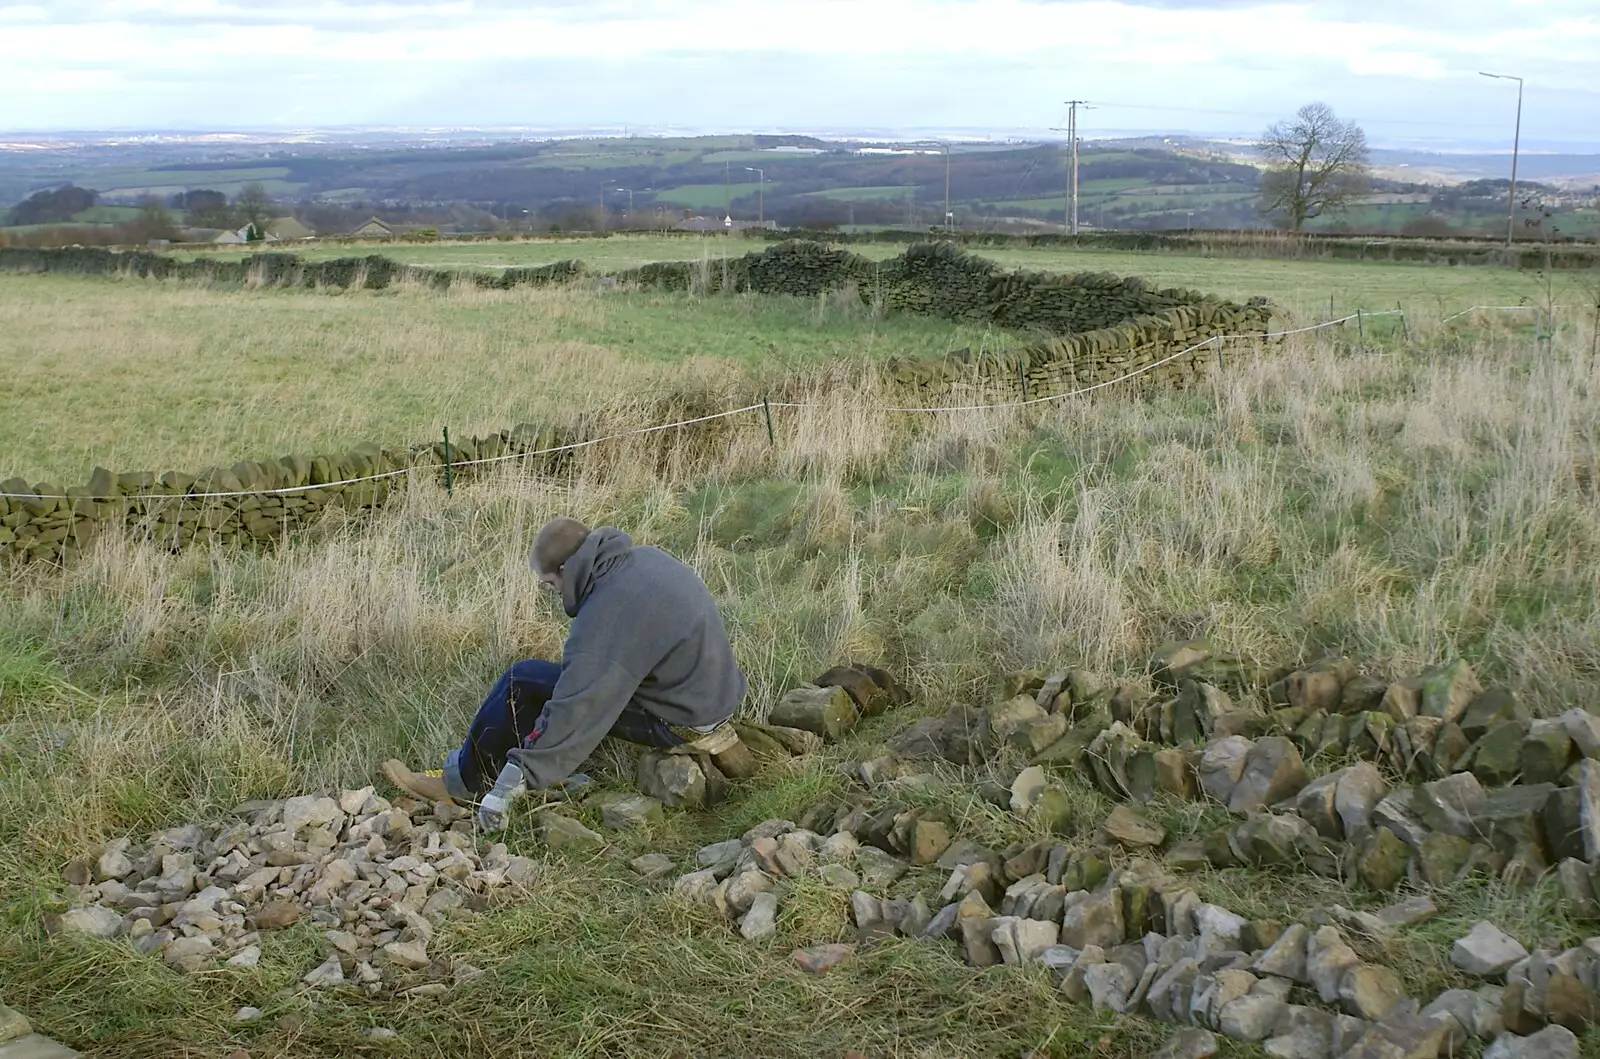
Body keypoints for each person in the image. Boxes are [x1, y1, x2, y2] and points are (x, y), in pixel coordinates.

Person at [382, 517, 755, 827]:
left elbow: (577, 706)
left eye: (549, 585)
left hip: (680, 720)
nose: (554, 594)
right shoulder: (643, 560)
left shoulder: (606, 616)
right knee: (550, 679)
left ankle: (464, 782)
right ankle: (474, 763)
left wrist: (519, 775)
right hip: (713, 694)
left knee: (523, 680)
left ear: (565, 569)